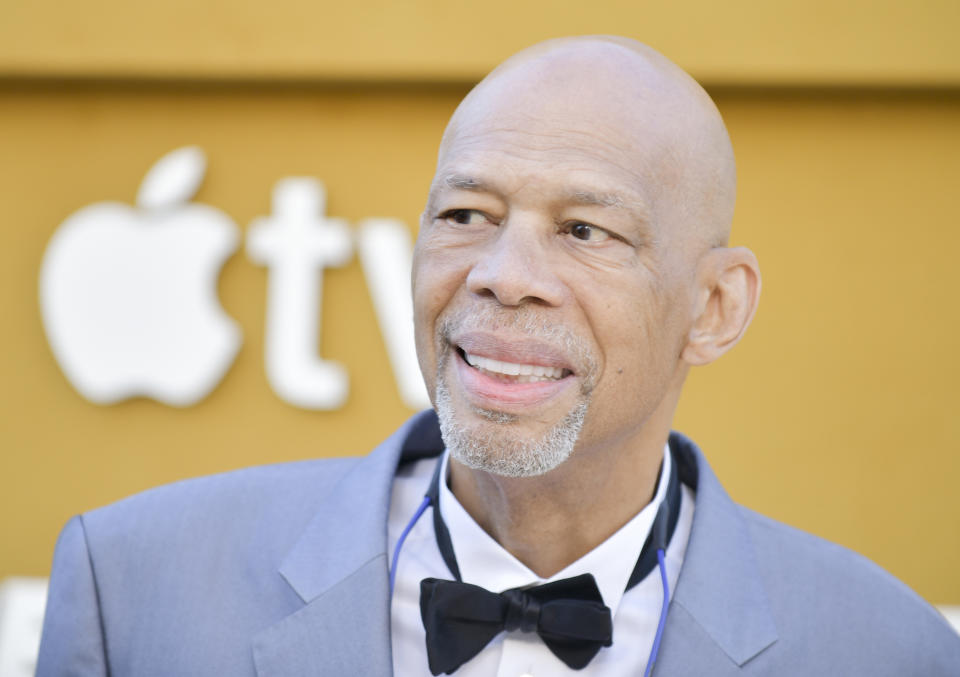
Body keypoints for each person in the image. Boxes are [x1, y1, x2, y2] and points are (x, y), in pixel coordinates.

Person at [36, 36, 960, 676]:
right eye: (466, 215)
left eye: (585, 229)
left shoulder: (891, 651)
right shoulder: (134, 588)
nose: (502, 275)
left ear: (714, 307)